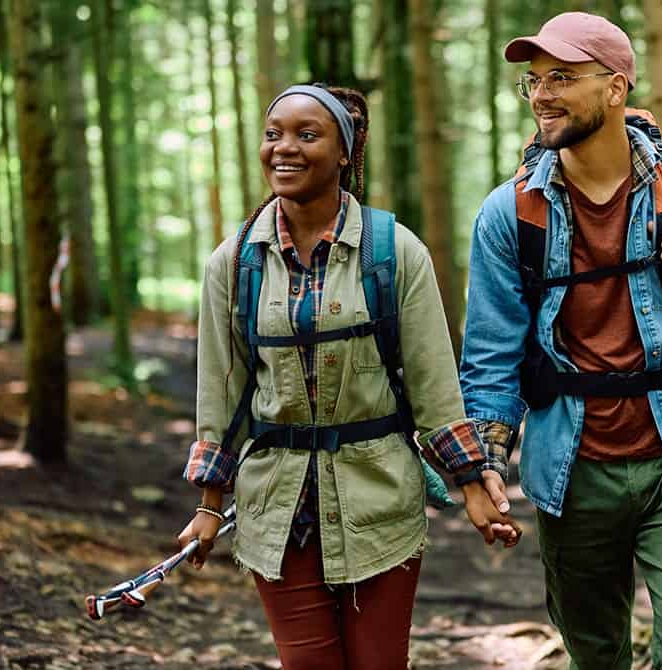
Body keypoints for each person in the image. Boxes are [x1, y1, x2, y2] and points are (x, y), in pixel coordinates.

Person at [176, 83, 518, 670]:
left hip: (380, 502)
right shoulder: (233, 264)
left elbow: (435, 384)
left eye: (307, 135)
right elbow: (223, 393)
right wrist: (210, 504)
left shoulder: (394, 252)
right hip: (275, 510)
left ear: (345, 153)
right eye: (273, 133)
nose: (284, 148)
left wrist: (471, 485)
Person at [460, 12, 662, 669]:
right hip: (572, 472)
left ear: (615, 88)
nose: (540, 94)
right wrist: (484, 463)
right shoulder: (508, 213)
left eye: (561, 78)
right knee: (596, 657)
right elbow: (490, 356)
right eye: (533, 80)